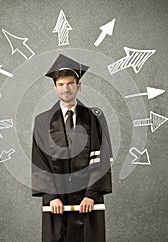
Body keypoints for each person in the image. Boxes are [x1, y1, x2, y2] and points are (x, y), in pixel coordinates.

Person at [31, 54, 113, 242]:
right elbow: (39, 161)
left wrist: (91, 195)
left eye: (70, 83)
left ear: (78, 86)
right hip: (56, 202)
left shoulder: (95, 118)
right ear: (55, 87)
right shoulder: (42, 121)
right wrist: (51, 196)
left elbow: (103, 158)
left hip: (88, 201)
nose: (65, 89)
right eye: (60, 84)